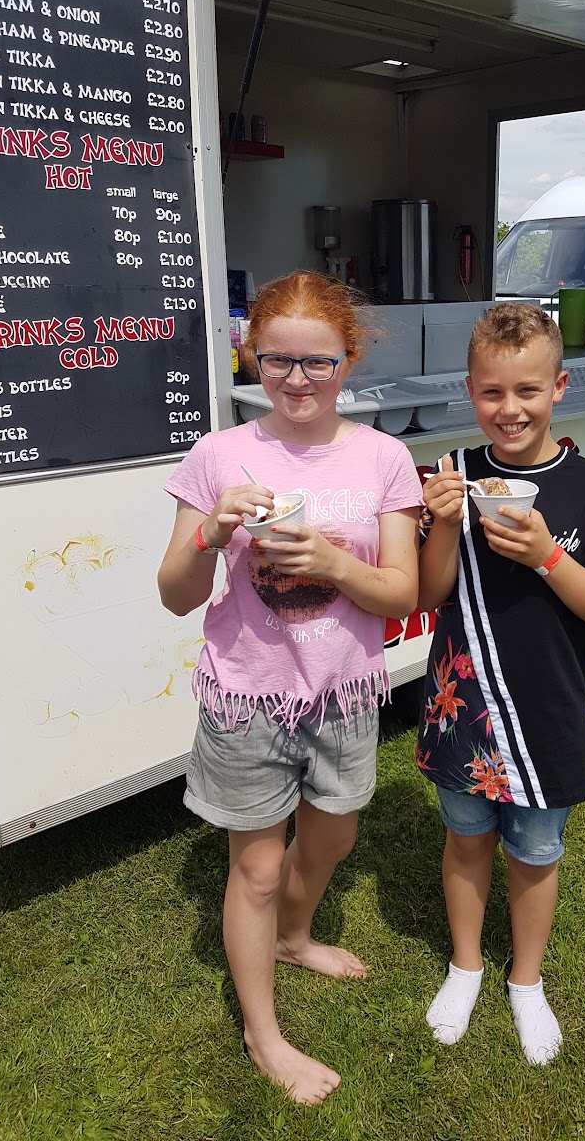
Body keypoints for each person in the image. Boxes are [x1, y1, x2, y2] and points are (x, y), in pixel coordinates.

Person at [157, 272, 422, 1106]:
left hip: (343, 694)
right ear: (252, 357)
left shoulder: (383, 458)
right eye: (278, 361)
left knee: (333, 837)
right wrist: (211, 530)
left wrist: (334, 563)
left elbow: (403, 595)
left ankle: (294, 938)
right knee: (259, 871)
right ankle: (263, 1034)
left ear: (349, 360)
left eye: (318, 362)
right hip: (248, 696)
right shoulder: (218, 455)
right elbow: (174, 594)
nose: (298, 379)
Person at [416, 301, 585, 1065]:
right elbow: (428, 594)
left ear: (559, 388)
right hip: (463, 709)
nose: (509, 409)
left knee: (537, 850)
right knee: (466, 840)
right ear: (470, 392)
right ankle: (466, 965)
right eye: (491, 392)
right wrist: (444, 524)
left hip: (546, 712)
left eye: (527, 391)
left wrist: (547, 555)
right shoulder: (454, 475)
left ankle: (526, 979)